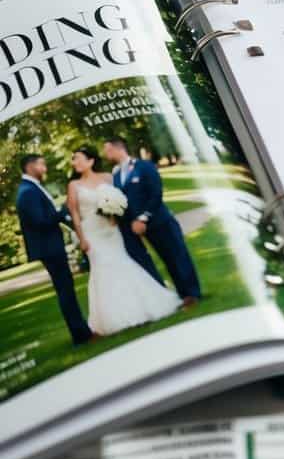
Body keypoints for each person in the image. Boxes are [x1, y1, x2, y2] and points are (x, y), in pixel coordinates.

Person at [66, 146, 180, 336]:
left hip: (111, 231)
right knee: (102, 269)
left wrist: (113, 213)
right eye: (73, 159)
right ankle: (112, 318)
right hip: (92, 234)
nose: (74, 162)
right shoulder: (74, 185)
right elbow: (75, 214)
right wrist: (81, 238)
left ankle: (140, 308)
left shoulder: (108, 178)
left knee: (122, 263)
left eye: (77, 158)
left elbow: (121, 202)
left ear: (90, 161)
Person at [103, 137, 201, 306]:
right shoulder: (117, 175)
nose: (106, 153)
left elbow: (156, 193)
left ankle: (192, 293)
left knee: (177, 256)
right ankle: (182, 295)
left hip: (160, 221)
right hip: (140, 227)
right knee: (166, 259)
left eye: (108, 149)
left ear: (118, 148)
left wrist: (143, 218)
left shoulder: (144, 166)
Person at [15, 154, 92, 347]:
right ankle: (81, 335)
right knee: (65, 290)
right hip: (49, 248)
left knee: (66, 288)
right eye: (41, 164)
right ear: (30, 166)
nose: (45, 167)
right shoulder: (28, 192)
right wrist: (63, 212)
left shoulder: (31, 188)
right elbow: (40, 221)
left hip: (50, 247)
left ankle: (81, 331)